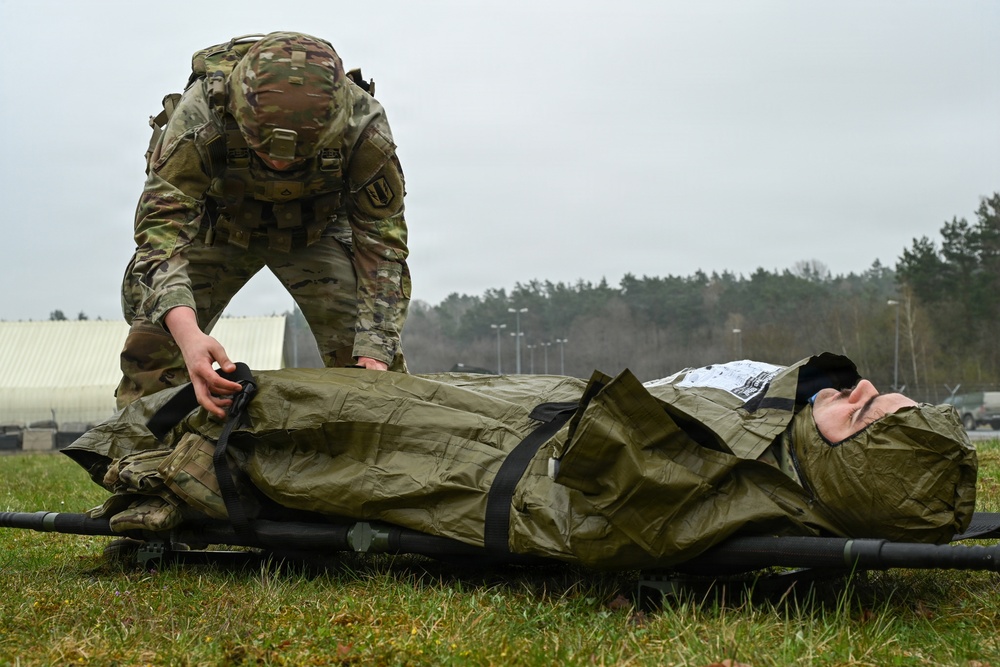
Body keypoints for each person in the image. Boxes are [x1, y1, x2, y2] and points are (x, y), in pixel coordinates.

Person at [67, 353, 977, 570]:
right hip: (536, 403)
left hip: (516, 445)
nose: (854, 389)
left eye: (863, 412)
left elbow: (593, 485)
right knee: (407, 394)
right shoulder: (779, 416)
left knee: (348, 416)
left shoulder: (727, 482)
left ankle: (158, 453)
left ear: (843, 467)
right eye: (871, 389)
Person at [116, 32, 411, 419]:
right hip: (217, 226)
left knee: (373, 367)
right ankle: (143, 468)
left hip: (316, 230)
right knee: (152, 350)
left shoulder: (363, 126)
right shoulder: (200, 116)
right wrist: (187, 336)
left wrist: (375, 349)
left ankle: (374, 467)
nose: (281, 165)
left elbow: (383, 245)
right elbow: (161, 233)